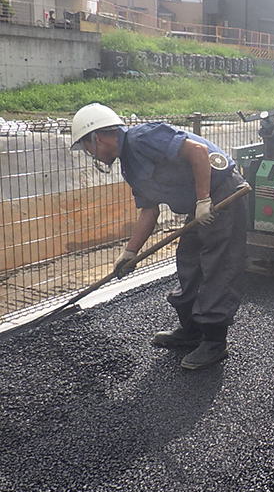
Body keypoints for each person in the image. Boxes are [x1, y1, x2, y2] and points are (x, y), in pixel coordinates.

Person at [69, 103, 248, 370]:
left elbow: (198, 152)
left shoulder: (143, 137)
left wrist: (202, 201)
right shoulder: (129, 165)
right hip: (202, 203)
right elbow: (149, 212)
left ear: (97, 137)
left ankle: (214, 341)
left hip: (222, 194)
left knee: (217, 265)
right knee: (188, 260)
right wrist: (130, 253)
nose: (89, 154)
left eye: (86, 147)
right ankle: (192, 330)